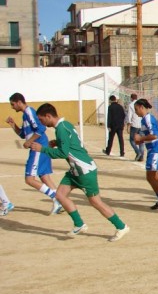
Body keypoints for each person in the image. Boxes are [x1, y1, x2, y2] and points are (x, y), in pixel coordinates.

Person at [30, 103, 130, 241]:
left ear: (48, 116)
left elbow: (62, 153)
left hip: (84, 170)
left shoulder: (61, 129)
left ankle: (121, 226)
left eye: (41, 119)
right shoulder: (65, 125)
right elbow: (71, 145)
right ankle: (79, 224)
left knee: (96, 202)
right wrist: (57, 143)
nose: (41, 123)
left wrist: (43, 149)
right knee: (60, 195)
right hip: (75, 170)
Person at [6, 92, 63, 215]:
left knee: (29, 179)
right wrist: (13, 125)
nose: (12, 107)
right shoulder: (25, 115)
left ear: (19, 102)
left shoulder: (30, 112)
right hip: (40, 147)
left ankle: (56, 197)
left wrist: (30, 142)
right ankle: (60, 201)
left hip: (38, 148)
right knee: (44, 176)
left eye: (13, 104)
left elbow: (41, 129)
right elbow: (23, 134)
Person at [126, 93, 145, 161]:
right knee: (141, 141)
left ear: (131, 98)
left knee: (132, 140)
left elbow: (129, 115)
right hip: (141, 124)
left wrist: (128, 125)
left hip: (134, 124)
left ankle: (138, 152)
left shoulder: (131, 105)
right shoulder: (141, 104)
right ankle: (141, 157)